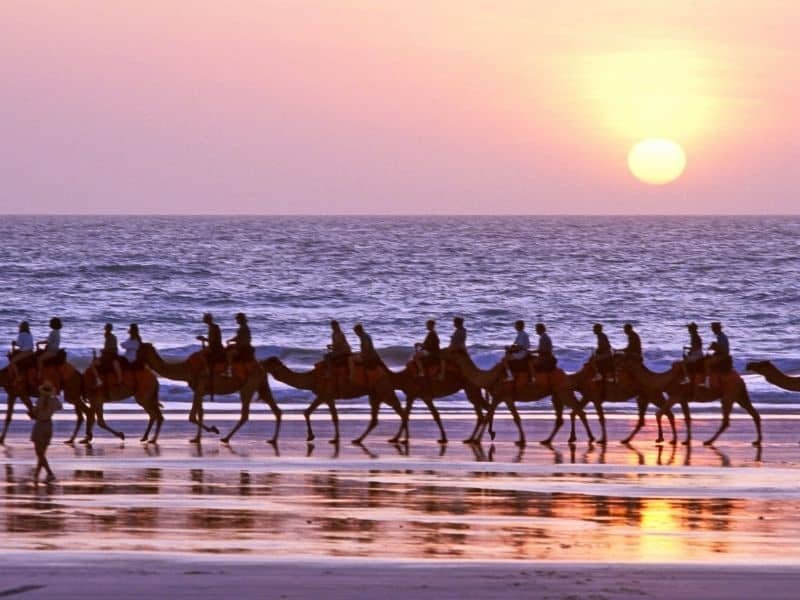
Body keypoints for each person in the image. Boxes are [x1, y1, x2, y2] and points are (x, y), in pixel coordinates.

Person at [31, 381, 62, 483]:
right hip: (48, 426)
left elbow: (34, 412)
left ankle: (50, 473)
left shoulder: (40, 400)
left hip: (40, 425)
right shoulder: (54, 401)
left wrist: (32, 413)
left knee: (39, 453)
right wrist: (54, 395)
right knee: (42, 453)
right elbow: (60, 407)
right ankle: (36, 474)